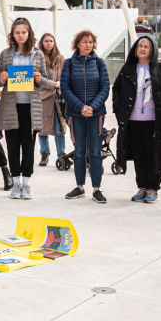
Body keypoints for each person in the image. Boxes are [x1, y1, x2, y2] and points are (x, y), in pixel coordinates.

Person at [113, 35, 161, 204]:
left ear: (152, 50)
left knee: (154, 155)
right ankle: (142, 187)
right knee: (138, 154)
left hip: (154, 121)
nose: (143, 49)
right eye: (140, 45)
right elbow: (117, 88)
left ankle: (153, 188)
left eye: (147, 46)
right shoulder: (128, 68)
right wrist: (118, 109)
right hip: (132, 121)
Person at [0, 17, 51, 200]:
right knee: (12, 147)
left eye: (24, 32)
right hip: (11, 106)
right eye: (17, 32)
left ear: (29, 34)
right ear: (12, 34)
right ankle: (15, 183)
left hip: (30, 107)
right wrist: (2, 78)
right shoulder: (5, 54)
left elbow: (44, 80)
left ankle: (26, 184)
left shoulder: (38, 54)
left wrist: (37, 79)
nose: (20, 35)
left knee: (28, 146)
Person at [61, 30, 110, 203]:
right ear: (77, 44)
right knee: (80, 152)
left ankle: (97, 189)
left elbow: (105, 88)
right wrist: (81, 107)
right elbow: (65, 89)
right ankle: (79, 187)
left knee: (96, 152)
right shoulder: (68, 64)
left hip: (96, 114)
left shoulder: (99, 63)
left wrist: (92, 107)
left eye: (90, 42)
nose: (88, 45)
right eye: (84, 42)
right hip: (76, 115)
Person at [37, 33, 67, 169]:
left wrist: (62, 82)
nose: (49, 43)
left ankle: (62, 154)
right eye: (46, 41)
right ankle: (44, 153)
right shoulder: (37, 58)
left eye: (51, 41)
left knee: (59, 128)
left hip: (58, 98)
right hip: (43, 97)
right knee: (42, 129)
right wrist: (53, 84)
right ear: (42, 43)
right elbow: (36, 79)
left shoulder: (61, 59)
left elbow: (67, 74)